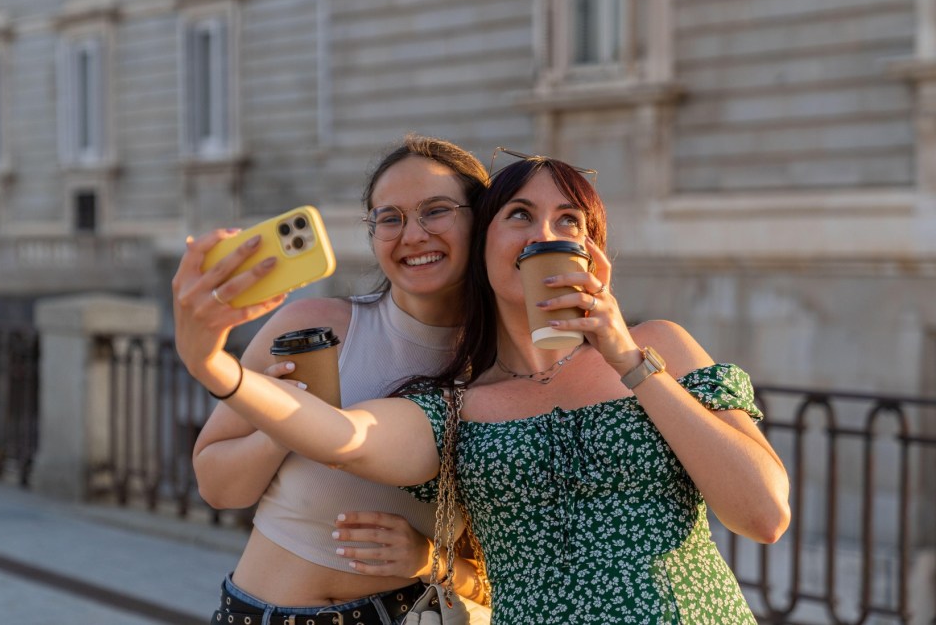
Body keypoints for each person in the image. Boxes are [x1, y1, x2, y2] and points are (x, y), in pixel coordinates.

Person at [174, 151, 791, 623]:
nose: (543, 234)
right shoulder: (455, 404)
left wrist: (628, 359)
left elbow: (764, 514)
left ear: (593, 252)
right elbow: (344, 436)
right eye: (519, 214)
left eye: (569, 220)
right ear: (486, 243)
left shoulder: (660, 347)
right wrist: (214, 366)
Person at [185, 134, 490, 624]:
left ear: (482, 220)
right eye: (389, 218)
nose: (412, 235)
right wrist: (288, 424)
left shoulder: (499, 369)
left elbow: (524, 572)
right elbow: (218, 489)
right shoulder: (314, 326)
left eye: (435, 211)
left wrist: (430, 559)